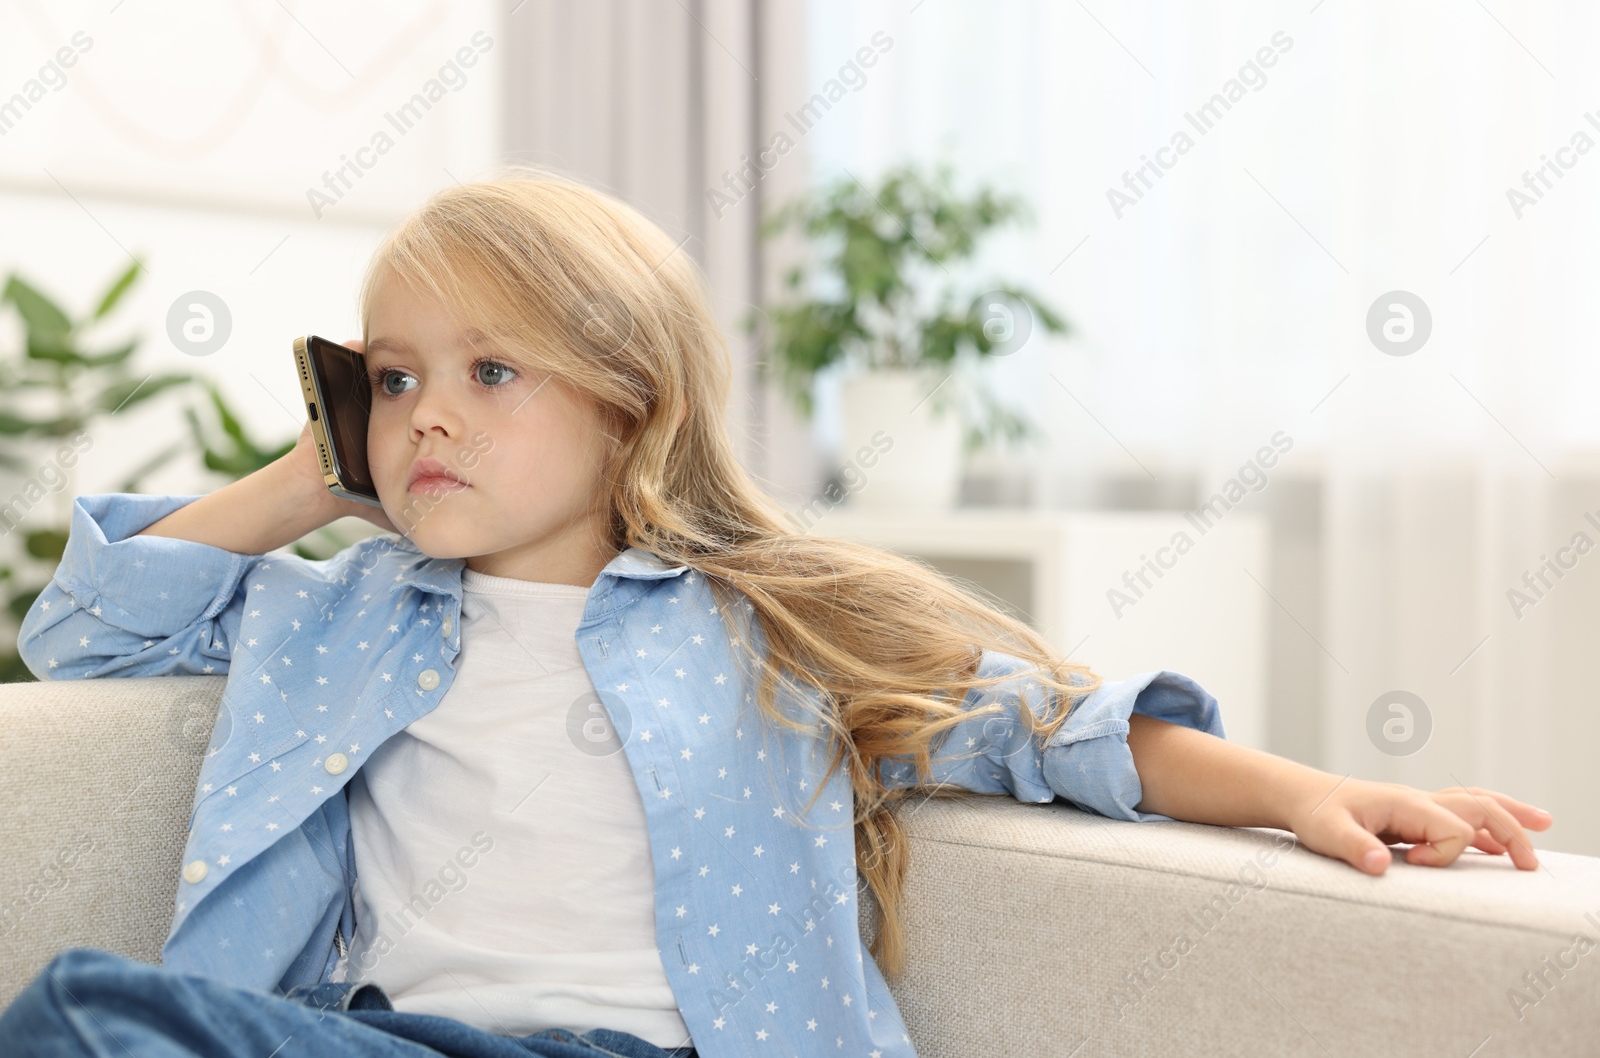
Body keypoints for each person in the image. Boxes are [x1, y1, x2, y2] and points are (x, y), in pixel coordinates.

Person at [1, 169, 1553, 1058]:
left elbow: (1054, 728)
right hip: (402, 1040)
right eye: (392, 377)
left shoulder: (760, 628)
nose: (429, 416)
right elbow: (87, 636)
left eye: (492, 371)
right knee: (87, 1016)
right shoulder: (334, 617)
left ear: (628, 407)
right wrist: (314, 478)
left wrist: (1305, 794)